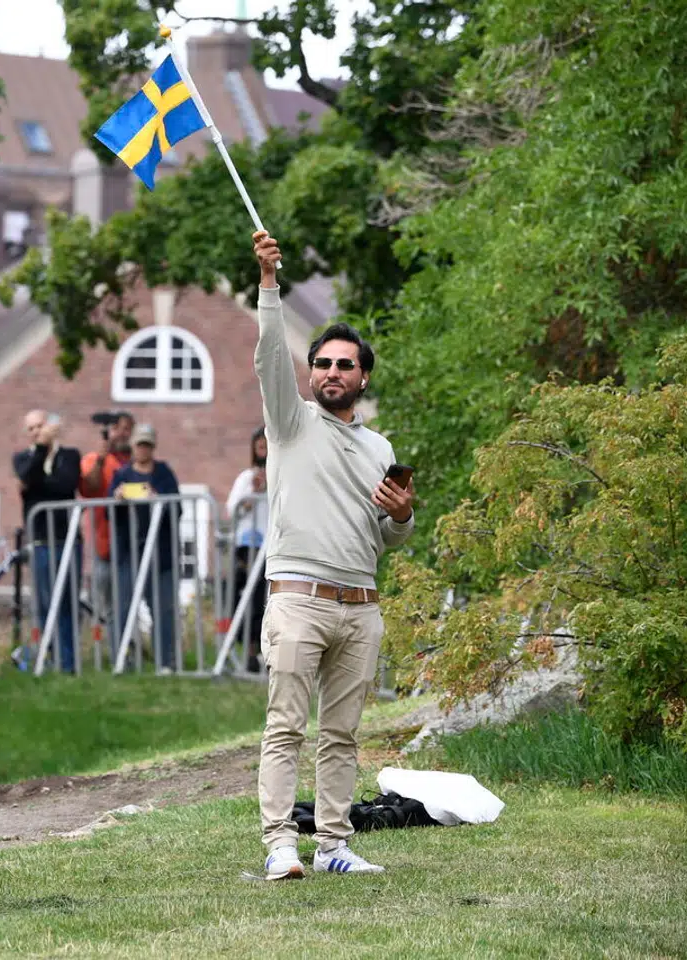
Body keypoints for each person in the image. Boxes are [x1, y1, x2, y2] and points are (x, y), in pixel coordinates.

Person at [250, 229, 416, 880]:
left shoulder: (378, 447)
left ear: (362, 377)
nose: (331, 374)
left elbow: (388, 536)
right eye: (322, 364)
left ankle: (333, 847)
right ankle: (280, 846)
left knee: (342, 735)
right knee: (286, 726)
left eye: (345, 365)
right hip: (298, 601)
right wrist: (268, 285)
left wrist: (402, 516)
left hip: (362, 607)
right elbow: (269, 357)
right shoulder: (290, 422)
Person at [12, 410, 83, 672]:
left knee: (66, 601)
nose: (36, 432)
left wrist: (39, 484)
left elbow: (64, 486)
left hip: (68, 538)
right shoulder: (22, 458)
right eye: (30, 429)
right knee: (44, 602)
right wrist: (41, 449)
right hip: (41, 540)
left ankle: (68, 662)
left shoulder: (70, 456)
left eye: (40, 426)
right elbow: (29, 479)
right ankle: (49, 656)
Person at [107, 424, 181, 673]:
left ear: (153, 447)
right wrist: (117, 499)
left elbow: (177, 508)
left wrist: (157, 497)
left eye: (147, 445)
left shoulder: (164, 473)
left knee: (162, 608)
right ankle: (122, 660)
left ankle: (165, 661)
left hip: (160, 555)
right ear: (133, 446)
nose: (143, 449)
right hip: (129, 553)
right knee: (123, 606)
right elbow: (109, 513)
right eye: (140, 444)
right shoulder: (121, 474)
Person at [79, 410, 134, 644]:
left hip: (134, 542)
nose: (121, 433)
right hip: (106, 544)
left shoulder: (136, 461)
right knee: (108, 605)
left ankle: (132, 651)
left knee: (130, 602)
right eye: (117, 428)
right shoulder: (94, 459)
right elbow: (88, 489)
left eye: (127, 428)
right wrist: (101, 459)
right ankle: (116, 655)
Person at [224, 427, 270, 673]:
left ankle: (265, 649)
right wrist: (253, 493)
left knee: (266, 599)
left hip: (272, 546)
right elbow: (233, 510)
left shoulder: (282, 476)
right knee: (248, 600)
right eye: (258, 443)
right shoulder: (245, 478)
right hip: (248, 546)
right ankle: (250, 649)